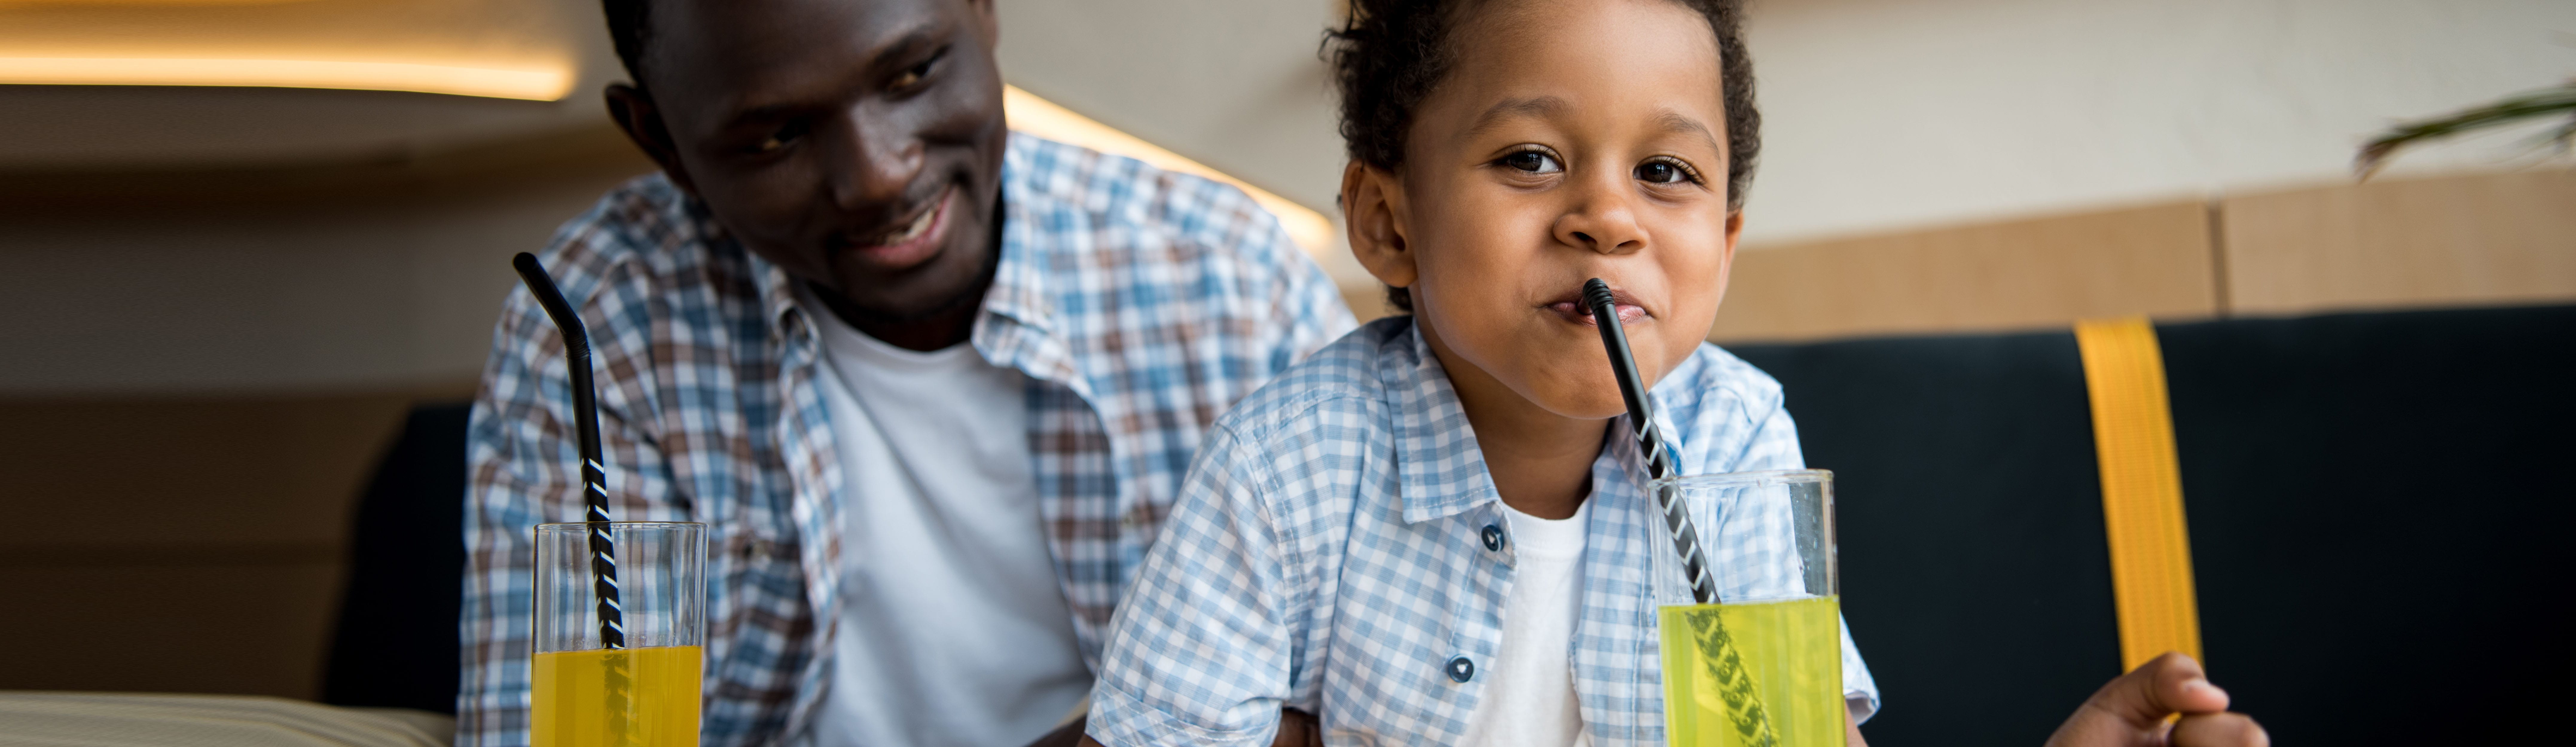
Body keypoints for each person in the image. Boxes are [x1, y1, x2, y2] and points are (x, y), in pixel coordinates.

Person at [1080, 1, 2270, 746]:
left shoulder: (1739, 439)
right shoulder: (1288, 459)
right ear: (1388, 222)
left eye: (1668, 174)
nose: (1607, 217)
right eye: (1532, 158)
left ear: (1725, 249)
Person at [455, 0, 1356, 744]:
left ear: (983, 12)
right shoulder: (597, 328)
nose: (879, 176)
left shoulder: (1222, 278)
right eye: (775, 137)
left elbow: (1378, 693)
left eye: (912, 75)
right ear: (660, 140)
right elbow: (578, 739)